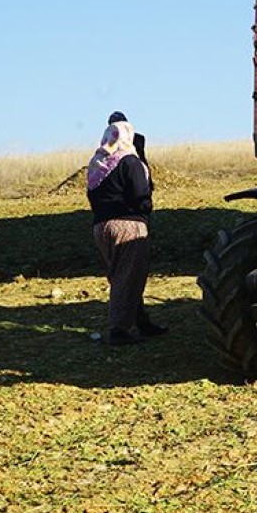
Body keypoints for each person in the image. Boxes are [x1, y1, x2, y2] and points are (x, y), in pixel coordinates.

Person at [86, 114, 165, 345]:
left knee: (121, 276)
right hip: (129, 226)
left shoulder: (96, 164)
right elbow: (143, 197)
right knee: (129, 277)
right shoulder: (130, 162)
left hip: (101, 228)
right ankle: (119, 331)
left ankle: (141, 322)